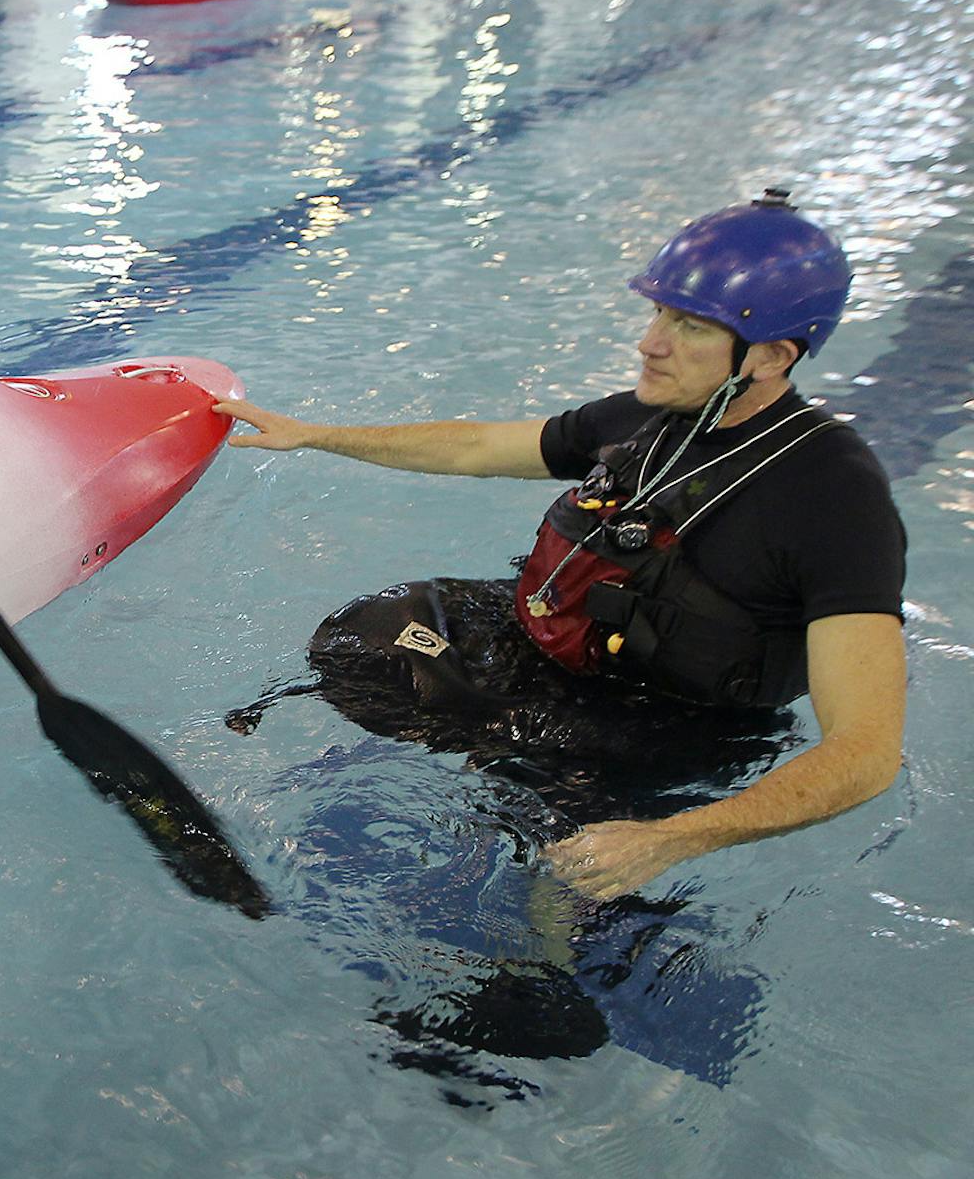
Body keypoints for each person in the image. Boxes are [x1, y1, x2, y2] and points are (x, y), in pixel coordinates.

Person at [214, 191, 907, 900]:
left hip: (671, 727)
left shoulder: (832, 497)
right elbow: (478, 446)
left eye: (691, 326)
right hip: (563, 661)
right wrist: (312, 434)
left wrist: (671, 839)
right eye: (659, 312)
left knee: (557, 887)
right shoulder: (654, 418)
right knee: (367, 640)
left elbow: (866, 753)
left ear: (771, 356)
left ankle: (548, 967)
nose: (650, 343)